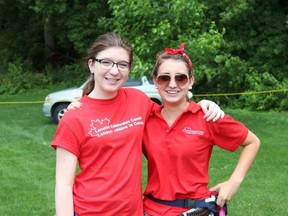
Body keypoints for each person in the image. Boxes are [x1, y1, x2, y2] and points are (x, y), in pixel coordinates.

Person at [51, 32, 224, 216]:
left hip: (133, 211)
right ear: (92, 65)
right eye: (106, 62)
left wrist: (203, 104)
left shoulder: (138, 100)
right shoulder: (74, 117)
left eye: (122, 65)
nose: (114, 71)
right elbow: (63, 184)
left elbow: (174, 112)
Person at [142, 43, 260, 216]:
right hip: (150, 210)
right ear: (155, 81)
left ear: (191, 81)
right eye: (164, 78)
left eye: (180, 78)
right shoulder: (145, 118)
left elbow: (252, 142)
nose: (172, 84)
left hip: (194, 210)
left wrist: (233, 183)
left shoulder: (206, 117)